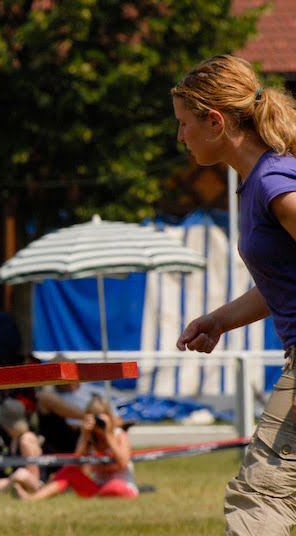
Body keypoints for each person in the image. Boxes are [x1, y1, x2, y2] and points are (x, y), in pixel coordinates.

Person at [173, 54, 296, 536]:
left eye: (185, 124)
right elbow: (283, 281)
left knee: (259, 496)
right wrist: (220, 320)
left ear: (216, 122)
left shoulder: (273, 181)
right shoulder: (258, 182)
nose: (180, 136)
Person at [12, 395, 138, 501]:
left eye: (101, 419)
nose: (99, 424)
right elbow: (77, 463)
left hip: (122, 487)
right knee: (69, 470)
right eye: (96, 419)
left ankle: (97, 497)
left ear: (109, 417)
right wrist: (84, 435)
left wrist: (108, 435)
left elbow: (123, 462)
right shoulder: (91, 440)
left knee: (114, 485)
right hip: (99, 488)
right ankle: (32, 498)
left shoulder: (119, 435)